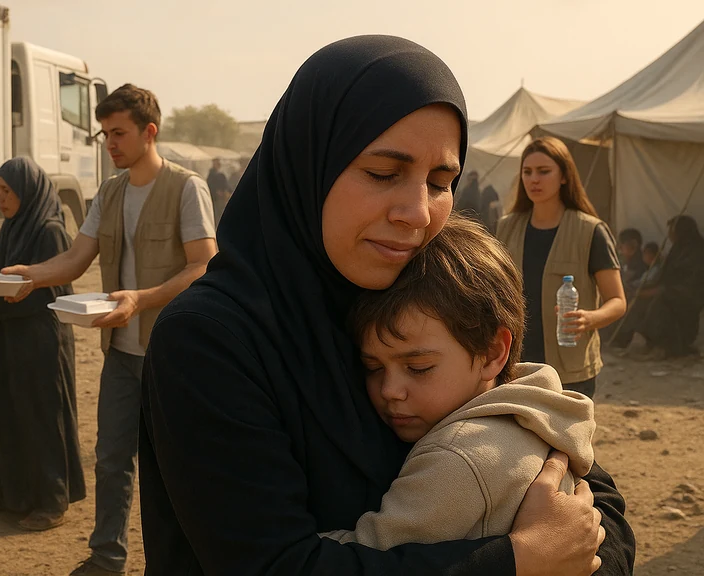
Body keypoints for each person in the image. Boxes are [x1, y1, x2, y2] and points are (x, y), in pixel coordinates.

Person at [139, 36, 634, 575]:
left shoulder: (422, 296)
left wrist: (586, 557)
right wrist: (516, 561)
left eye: (442, 182)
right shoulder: (211, 341)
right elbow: (271, 565)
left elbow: (583, 494)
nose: (418, 213)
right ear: (309, 163)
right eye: (382, 173)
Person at [1, 84, 218, 576]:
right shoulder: (110, 192)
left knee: (176, 468)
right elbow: (76, 259)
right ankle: (106, 558)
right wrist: (28, 276)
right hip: (120, 353)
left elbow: (203, 266)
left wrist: (141, 300)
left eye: (118, 133)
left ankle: (184, 559)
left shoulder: (187, 188)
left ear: (149, 132)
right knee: (111, 459)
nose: (110, 144)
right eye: (105, 134)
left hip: (171, 352)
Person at [320, 215, 595, 550]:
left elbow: (369, 555)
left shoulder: (458, 457)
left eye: (418, 367)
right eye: (373, 367)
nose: (390, 390)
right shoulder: (533, 407)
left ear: (493, 353)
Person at [0, 156, 86, 530]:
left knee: (43, 415)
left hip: (40, 338)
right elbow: (1, 279)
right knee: (4, 410)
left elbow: (56, 287)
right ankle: (4, 493)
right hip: (6, 332)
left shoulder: (49, 230)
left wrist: (14, 293)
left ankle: (51, 500)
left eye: (6, 190)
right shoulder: (12, 228)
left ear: (27, 192)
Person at [496, 137, 626, 399]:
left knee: (566, 441)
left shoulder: (591, 231)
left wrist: (589, 319)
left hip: (570, 370)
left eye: (544, 172)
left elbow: (617, 301)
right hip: (516, 365)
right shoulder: (506, 227)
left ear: (564, 176)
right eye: (527, 172)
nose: (534, 179)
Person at [627, 216, 704, 360]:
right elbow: (665, 275)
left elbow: (690, 285)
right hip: (671, 292)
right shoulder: (678, 249)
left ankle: (663, 346)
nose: (669, 235)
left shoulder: (697, 252)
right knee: (641, 300)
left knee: (660, 302)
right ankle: (646, 342)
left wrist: (659, 290)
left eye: (672, 231)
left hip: (687, 299)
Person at [617, 228, 648, 294]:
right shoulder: (625, 261)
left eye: (622, 244)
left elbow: (625, 281)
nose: (620, 248)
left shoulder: (640, 264)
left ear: (633, 244)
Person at [206, 158, 231, 225]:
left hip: (221, 198)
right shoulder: (211, 175)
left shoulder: (221, 175)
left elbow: (226, 185)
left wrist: (226, 192)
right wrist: (216, 192)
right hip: (215, 198)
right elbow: (210, 185)